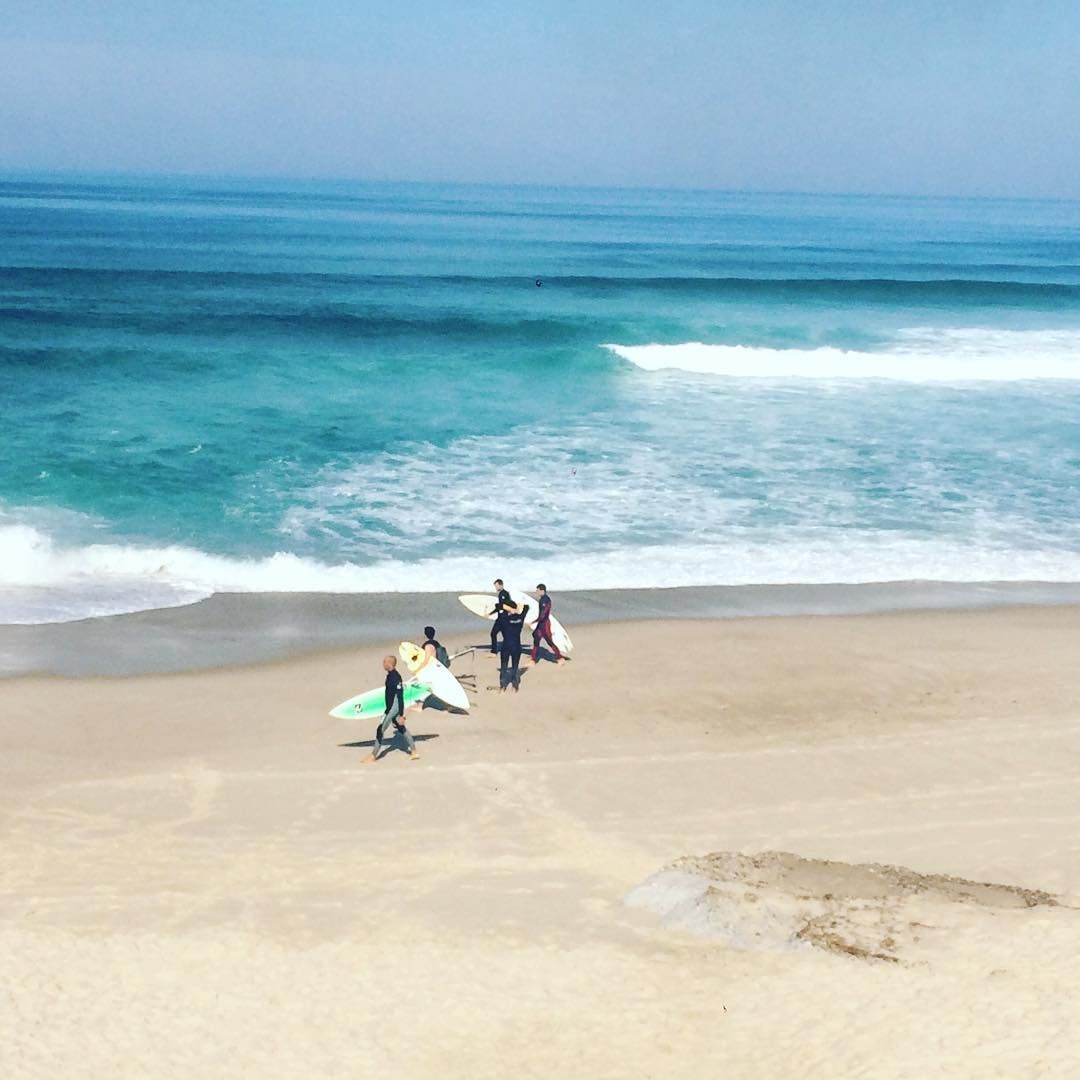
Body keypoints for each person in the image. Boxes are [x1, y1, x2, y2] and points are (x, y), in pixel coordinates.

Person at [363, 655, 418, 763]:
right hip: (392, 707)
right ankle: (414, 751)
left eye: (384, 662)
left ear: (390, 663)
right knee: (401, 728)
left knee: (380, 729)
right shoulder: (390, 675)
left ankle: (373, 756)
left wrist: (401, 715)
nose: (383, 664)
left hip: (393, 708)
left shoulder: (395, 677)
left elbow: (400, 696)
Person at [529, 583, 565, 666]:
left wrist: (535, 621)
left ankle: (560, 658)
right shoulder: (542, 599)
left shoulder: (545, 600)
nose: (536, 592)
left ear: (542, 590)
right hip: (541, 623)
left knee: (549, 642)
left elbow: (544, 614)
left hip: (545, 625)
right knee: (536, 640)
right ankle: (532, 660)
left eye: (538, 590)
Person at [499, 599, 529, 692]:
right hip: (516, 646)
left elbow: (499, 606)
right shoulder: (521, 617)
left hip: (506, 646)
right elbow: (526, 607)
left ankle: (503, 687)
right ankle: (515, 686)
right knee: (515, 667)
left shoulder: (504, 618)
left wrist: (509, 609)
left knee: (504, 667)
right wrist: (517, 609)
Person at [489, 578, 512, 655]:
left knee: (494, 634)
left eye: (496, 586)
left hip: (503, 619)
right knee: (502, 635)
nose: (495, 587)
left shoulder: (504, 594)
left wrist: (490, 613)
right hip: (501, 618)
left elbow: (502, 606)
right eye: (495, 586)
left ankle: (494, 652)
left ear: (501, 585)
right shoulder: (502, 594)